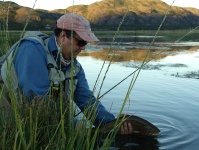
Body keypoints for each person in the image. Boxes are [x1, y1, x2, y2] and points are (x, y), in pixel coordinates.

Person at [0, 13, 133, 134]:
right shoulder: (31, 50)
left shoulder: (75, 67)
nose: (83, 48)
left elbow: (87, 101)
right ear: (63, 36)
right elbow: (37, 100)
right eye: (80, 42)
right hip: (9, 120)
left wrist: (113, 124)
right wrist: (73, 126)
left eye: (85, 43)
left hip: (38, 121)